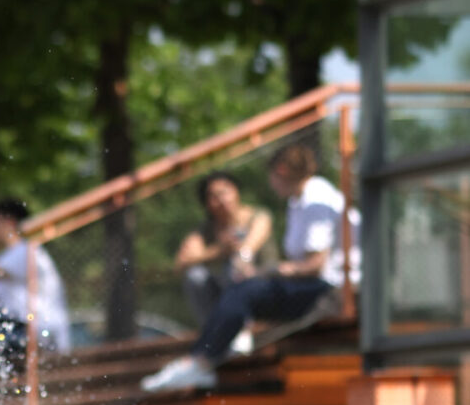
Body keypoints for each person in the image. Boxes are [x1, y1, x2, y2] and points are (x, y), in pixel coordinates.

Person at [143, 144, 357, 392]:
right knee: (228, 284)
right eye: (214, 196)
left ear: (281, 170)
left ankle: (199, 361)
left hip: (330, 291)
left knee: (244, 289)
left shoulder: (314, 200)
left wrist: (270, 269)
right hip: (314, 283)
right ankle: (204, 355)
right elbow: (182, 262)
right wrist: (223, 252)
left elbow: (315, 266)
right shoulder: (300, 200)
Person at [174, 172, 277, 326]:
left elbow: (250, 245)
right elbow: (181, 262)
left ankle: (242, 327)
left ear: (236, 191)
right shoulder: (205, 230)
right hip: (224, 295)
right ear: (207, 203)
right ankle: (214, 330)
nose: (221, 200)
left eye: (225, 192)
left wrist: (238, 254)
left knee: (235, 265)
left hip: (262, 285)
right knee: (195, 276)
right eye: (214, 196)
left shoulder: (258, 216)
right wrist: (219, 251)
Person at [0, 200, 72, 353]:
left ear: (9, 222)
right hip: (22, 329)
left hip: (40, 331)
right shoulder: (7, 257)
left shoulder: (26, 251)